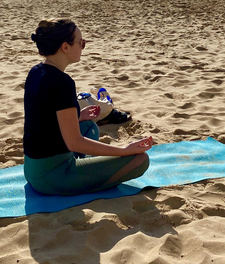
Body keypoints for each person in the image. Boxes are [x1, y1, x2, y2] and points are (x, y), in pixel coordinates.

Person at [23, 19, 151, 196]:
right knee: (140, 159)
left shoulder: (36, 71)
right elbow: (75, 143)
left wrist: (78, 117)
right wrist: (123, 150)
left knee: (89, 126)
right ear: (65, 47)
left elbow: (40, 120)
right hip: (54, 177)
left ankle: (87, 165)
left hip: (32, 171)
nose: (83, 47)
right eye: (81, 42)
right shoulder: (62, 83)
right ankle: (85, 173)